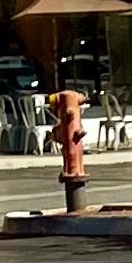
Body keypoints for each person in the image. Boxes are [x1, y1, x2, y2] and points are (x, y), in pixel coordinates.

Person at [46, 73, 88, 213]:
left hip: (71, 146)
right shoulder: (73, 105)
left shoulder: (65, 107)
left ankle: (74, 174)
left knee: (71, 155)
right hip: (72, 143)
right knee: (72, 154)